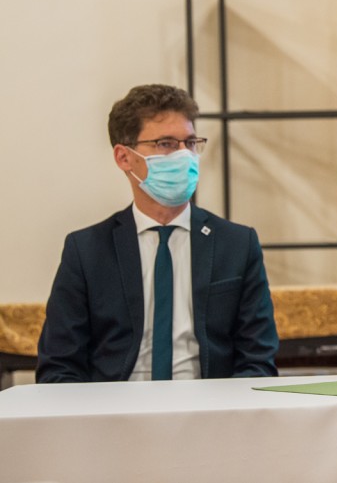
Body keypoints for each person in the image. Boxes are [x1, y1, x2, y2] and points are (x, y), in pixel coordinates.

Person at [37, 84, 279, 382]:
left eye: (190, 143)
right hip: (115, 405)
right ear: (124, 157)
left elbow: (258, 361)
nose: (184, 155)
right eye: (166, 144)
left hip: (208, 403)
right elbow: (59, 367)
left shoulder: (237, 245)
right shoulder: (86, 251)